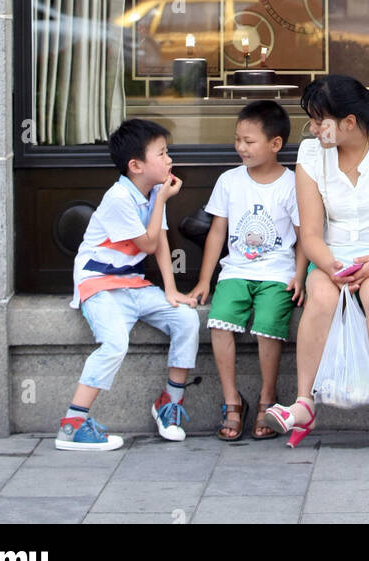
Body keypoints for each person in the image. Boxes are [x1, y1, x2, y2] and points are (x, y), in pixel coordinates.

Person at [263, 75, 369, 447]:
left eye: (321, 121)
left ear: (349, 123)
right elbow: (311, 235)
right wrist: (334, 267)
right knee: (320, 295)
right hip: (332, 259)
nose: (314, 128)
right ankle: (304, 402)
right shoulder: (310, 155)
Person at [56, 119, 199, 452]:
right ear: (136, 165)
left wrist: (172, 289)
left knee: (186, 319)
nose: (169, 160)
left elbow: (161, 241)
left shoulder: (150, 192)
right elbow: (148, 245)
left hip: (133, 285)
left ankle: (170, 402)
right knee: (115, 343)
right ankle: (72, 425)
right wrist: (162, 200)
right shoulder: (119, 197)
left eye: (167, 153)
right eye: (162, 154)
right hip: (100, 285)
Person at [184, 102, 306, 441]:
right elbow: (217, 233)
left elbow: (303, 238)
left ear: (275, 144)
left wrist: (300, 276)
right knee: (220, 321)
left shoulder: (292, 184)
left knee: (269, 325)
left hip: (277, 273)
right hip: (235, 270)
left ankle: (268, 398)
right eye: (238, 140)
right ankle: (232, 400)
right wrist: (204, 280)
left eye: (249, 141)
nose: (241, 147)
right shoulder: (229, 181)